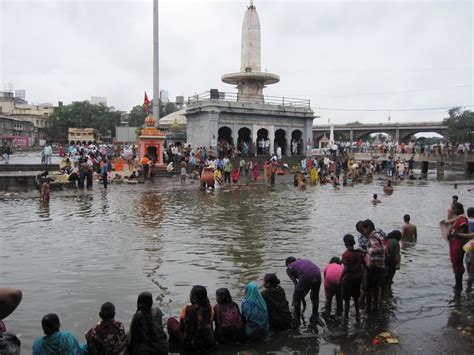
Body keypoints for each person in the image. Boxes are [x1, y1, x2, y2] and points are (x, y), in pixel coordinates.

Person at [441, 202, 470, 296]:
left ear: (458, 209)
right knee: (456, 264)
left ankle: (458, 286)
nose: (452, 210)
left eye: (453, 208)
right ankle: (458, 285)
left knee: (457, 265)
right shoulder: (457, 219)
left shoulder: (462, 220)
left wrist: (456, 234)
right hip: (454, 245)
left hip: (458, 246)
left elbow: (463, 235)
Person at [285, 257, 321, 326]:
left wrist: (295, 299)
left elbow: (296, 284)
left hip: (306, 275)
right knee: (315, 296)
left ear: (287, 263)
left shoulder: (289, 268)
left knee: (296, 298)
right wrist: (303, 298)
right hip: (317, 272)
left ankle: (297, 320)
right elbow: (306, 285)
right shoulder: (302, 261)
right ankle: (315, 315)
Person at [179, 285, 216, 352]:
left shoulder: (186, 309)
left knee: (171, 322)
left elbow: (182, 326)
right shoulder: (210, 308)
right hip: (209, 344)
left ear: (193, 296)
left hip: (190, 345)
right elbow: (210, 322)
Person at [359, 220, 385, 311]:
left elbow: (377, 248)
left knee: (368, 288)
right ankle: (375, 306)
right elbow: (383, 248)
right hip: (380, 265)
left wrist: (366, 251)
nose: (363, 232)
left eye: (364, 230)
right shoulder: (379, 234)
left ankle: (369, 308)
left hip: (374, 266)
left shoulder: (372, 236)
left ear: (368, 228)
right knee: (376, 288)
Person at [341, 234, 366, 319]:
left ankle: (345, 316)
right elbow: (364, 265)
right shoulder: (359, 253)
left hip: (349, 279)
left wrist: (340, 278)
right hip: (358, 278)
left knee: (347, 299)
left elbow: (346, 269)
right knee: (356, 298)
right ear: (354, 242)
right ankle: (357, 314)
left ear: (345, 243)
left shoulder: (346, 254)